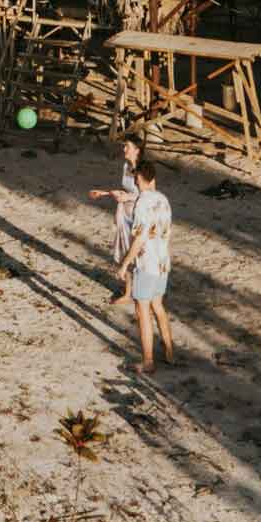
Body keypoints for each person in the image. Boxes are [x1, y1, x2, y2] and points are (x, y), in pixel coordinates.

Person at [118, 158, 174, 374]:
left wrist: (125, 264)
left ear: (139, 178)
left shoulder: (142, 202)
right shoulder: (164, 199)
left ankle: (148, 361)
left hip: (147, 263)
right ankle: (169, 350)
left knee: (142, 311)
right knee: (158, 305)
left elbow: (140, 238)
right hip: (162, 262)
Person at [88, 134, 142, 305]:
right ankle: (128, 290)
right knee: (124, 248)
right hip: (124, 212)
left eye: (127, 146)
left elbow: (145, 194)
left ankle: (133, 291)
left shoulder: (142, 169)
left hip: (138, 213)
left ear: (137, 150)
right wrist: (104, 193)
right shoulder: (126, 166)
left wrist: (127, 198)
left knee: (136, 250)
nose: (124, 149)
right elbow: (123, 190)